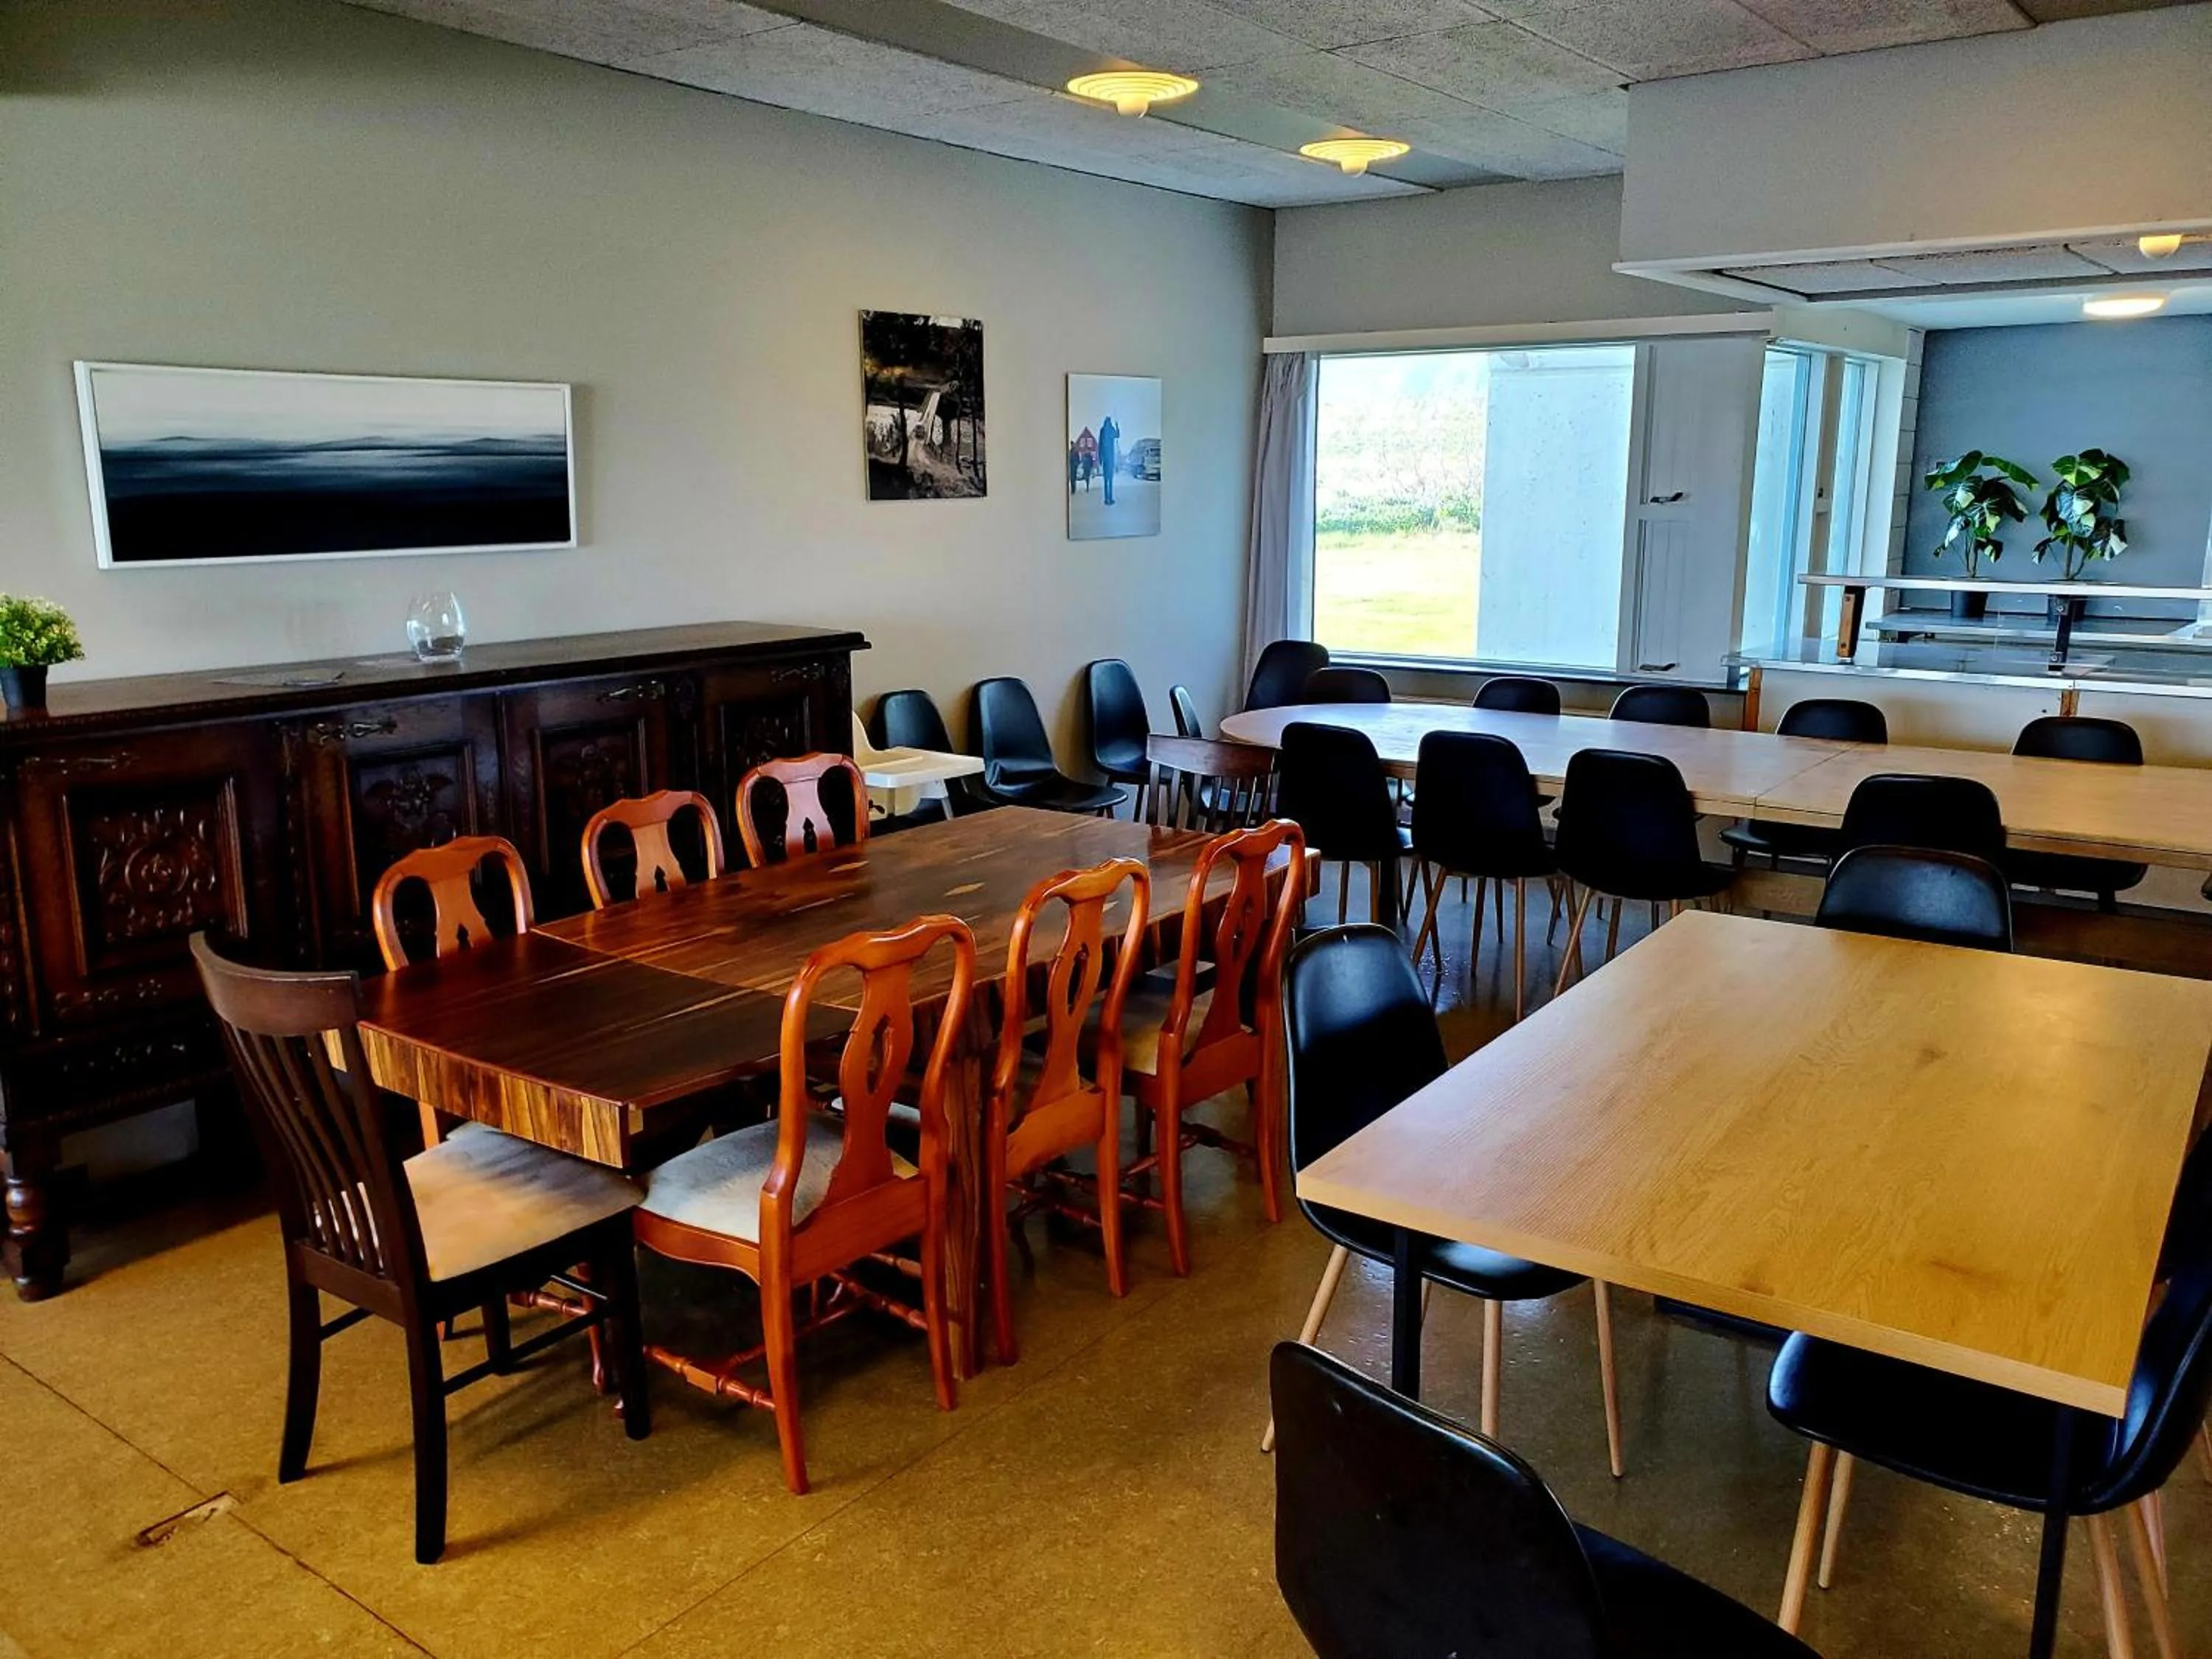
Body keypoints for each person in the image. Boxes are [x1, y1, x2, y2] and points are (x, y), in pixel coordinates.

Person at [1098, 414, 1119, 507]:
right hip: (1110, 457)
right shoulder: (1111, 430)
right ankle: (1110, 498)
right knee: (1110, 479)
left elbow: (1100, 445)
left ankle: (1106, 498)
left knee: (1106, 480)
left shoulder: (1102, 431)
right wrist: (1117, 426)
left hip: (1105, 458)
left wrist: (1100, 459)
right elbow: (1118, 435)